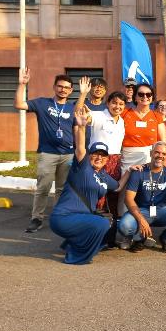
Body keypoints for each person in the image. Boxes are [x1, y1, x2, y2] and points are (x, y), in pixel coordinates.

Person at [49, 108, 135, 264]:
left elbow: (117, 187)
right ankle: (76, 255)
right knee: (102, 223)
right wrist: (82, 127)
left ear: (107, 159)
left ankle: (71, 244)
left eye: (103, 155)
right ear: (90, 155)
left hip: (80, 217)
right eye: (96, 154)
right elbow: (80, 148)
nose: (99, 158)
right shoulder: (82, 167)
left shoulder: (104, 176)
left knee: (104, 222)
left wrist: (129, 171)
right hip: (63, 217)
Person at [14, 68, 76, 233]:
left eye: (66, 87)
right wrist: (22, 84)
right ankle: (37, 218)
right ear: (54, 87)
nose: (63, 90)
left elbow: (79, 129)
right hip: (47, 153)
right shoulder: (42, 103)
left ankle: (59, 217)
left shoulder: (72, 108)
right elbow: (19, 104)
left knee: (62, 189)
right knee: (43, 187)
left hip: (68, 154)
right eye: (60, 86)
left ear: (71, 90)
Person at [117, 141, 166, 253]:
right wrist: (141, 220)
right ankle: (140, 238)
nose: (160, 156)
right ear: (151, 153)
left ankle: (165, 238)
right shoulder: (139, 171)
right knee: (124, 226)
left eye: (164, 154)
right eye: (157, 152)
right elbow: (128, 199)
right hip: (141, 210)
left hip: (161, 209)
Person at [119, 83, 166, 213]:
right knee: (127, 188)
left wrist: (165, 159)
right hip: (128, 156)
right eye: (141, 94)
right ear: (135, 97)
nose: (145, 97)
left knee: (149, 188)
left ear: (152, 97)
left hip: (149, 156)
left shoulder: (157, 116)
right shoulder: (124, 113)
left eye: (148, 94)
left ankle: (150, 217)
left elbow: (163, 141)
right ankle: (125, 218)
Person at [85, 87, 127, 225]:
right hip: (99, 159)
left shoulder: (121, 121)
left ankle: (112, 223)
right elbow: (83, 117)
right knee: (98, 192)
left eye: (121, 104)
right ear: (108, 103)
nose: (117, 106)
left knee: (113, 192)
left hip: (115, 161)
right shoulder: (98, 115)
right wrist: (83, 94)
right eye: (114, 103)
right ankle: (95, 222)